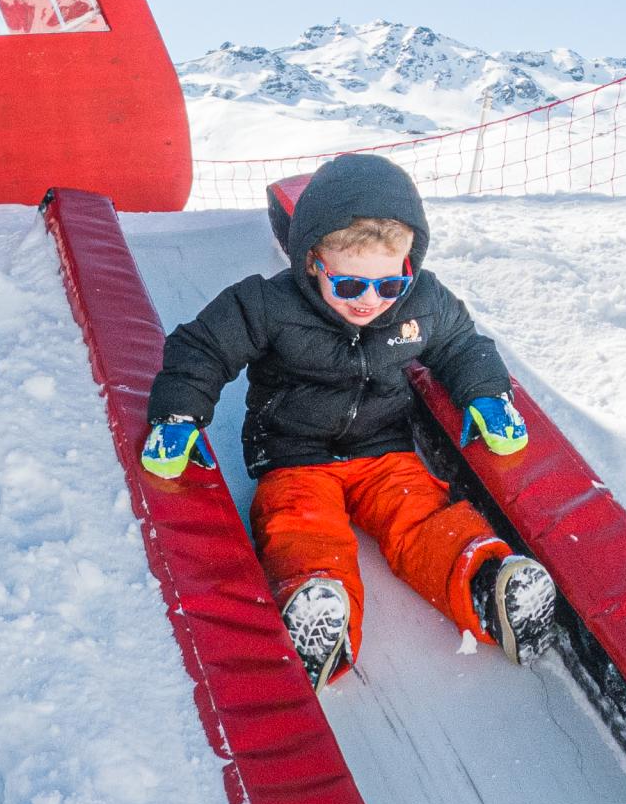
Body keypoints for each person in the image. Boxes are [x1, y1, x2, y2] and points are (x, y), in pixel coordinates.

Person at [139, 152, 557, 688]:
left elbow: (460, 343)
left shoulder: (422, 301)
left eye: (388, 286)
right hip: (296, 457)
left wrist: (486, 393)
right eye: (350, 286)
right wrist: (179, 414)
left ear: (409, 266)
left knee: (423, 517)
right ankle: (316, 612)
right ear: (314, 261)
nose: (370, 302)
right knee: (300, 525)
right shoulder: (266, 304)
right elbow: (202, 348)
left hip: (384, 453)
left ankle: (488, 585)